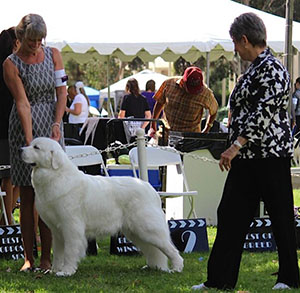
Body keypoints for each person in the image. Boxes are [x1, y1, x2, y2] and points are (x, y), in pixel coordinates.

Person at [192, 12, 300, 291]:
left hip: (270, 156)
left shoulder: (274, 69)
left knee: (281, 216)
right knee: (229, 214)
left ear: (244, 39)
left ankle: (288, 277)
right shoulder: (253, 69)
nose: (234, 50)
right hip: (247, 158)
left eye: (235, 44)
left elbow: (263, 114)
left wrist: (235, 145)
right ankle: (219, 280)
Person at [3, 14, 67, 272]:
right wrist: (30, 144)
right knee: (28, 197)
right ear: (20, 38)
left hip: (51, 124)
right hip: (24, 126)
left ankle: (47, 259)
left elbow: (61, 91)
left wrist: (56, 123)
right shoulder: (10, 64)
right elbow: (22, 103)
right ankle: (29, 258)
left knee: (51, 195)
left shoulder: (54, 54)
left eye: (41, 39)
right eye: (32, 40)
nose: (37, 44)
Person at [149, 66, 218, 139]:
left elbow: (214, 110)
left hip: (190, 138)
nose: (192, 92)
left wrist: (207, 128)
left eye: (195, 90)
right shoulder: (169, 84)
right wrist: (153, 122)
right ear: (183, 81)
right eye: (190, 88)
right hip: (166, 134)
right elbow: (160, 102)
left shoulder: (205, 93)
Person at [0, 27, 20, 225]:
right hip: (8, 128)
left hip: (8, 128)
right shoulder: (12, 65)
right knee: (11, 178)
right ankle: (7, 221)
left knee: (12, 178)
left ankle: (6, 219)